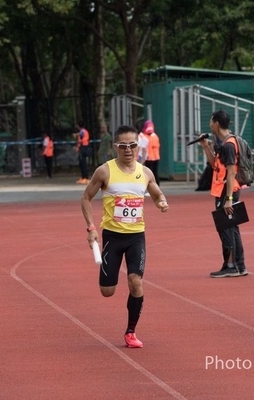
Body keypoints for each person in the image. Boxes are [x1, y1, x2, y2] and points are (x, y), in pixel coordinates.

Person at [80, 125, 169, 348]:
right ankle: (110, 279)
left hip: (136, 237)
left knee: (135, 281)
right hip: (112, 236)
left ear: (137, 146)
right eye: (123, 146)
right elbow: (86, 198)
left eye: (132, 145)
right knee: (107, 291)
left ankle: (131, 332)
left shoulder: (145, 173)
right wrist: (91, 228)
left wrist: (161, 203)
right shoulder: (104, 171)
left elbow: (157, 193)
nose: (128, 150)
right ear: (115, 147)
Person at [197, 110, 248, 278]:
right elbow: (215, 166)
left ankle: (231, 266)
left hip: (227, 192)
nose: (210, 125)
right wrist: (206, 146)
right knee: (232, 227)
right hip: (225, 191)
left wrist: (229, 199)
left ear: (217, 123)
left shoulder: (228, 145)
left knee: (226, 228)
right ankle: (239, 265)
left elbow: (231, 173)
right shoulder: (224, 142)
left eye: (211, 122)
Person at [143, 120, 161, 185]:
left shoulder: (144, 137)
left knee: (149, 174)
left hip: (148, 158)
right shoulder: (155, 136)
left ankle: (151, 187)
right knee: (155, 173)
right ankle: (157, 186)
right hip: (156, 157)